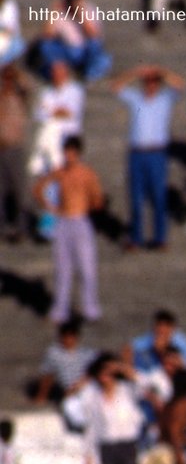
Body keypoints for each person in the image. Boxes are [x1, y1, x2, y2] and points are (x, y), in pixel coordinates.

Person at [112, 64, 185, 250]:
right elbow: (116, 87)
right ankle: (136, 238)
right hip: (137, 153)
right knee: (136, 198)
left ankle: (160, 238)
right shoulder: (136, 99)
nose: (150, 86)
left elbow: (180, 85)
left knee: (159, 197)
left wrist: (161, 72)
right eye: (147, 82)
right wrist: (136, 72)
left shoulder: (165, 99)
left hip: (157, 153)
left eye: (154, 83)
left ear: (158, 85)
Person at [33, 135, 104, 324]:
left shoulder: (87, 173)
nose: (69, 156)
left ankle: (91, 310)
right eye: (66, 152)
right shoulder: (60, 172)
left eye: (72, 153)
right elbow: (38, 188)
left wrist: (86, 207)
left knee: (87, 268)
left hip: (80, 221)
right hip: (63, 222)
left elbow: (97, 198)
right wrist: (51, 207)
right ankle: (59, 311)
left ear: (78, 154)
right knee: (62, 269)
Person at [0, 64, 30, 242]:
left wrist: (17, 75)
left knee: (19, 190)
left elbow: (29, 88)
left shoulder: (19, 98)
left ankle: (21, 227)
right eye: (5, 78)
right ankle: (3, 227)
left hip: (15, 147)